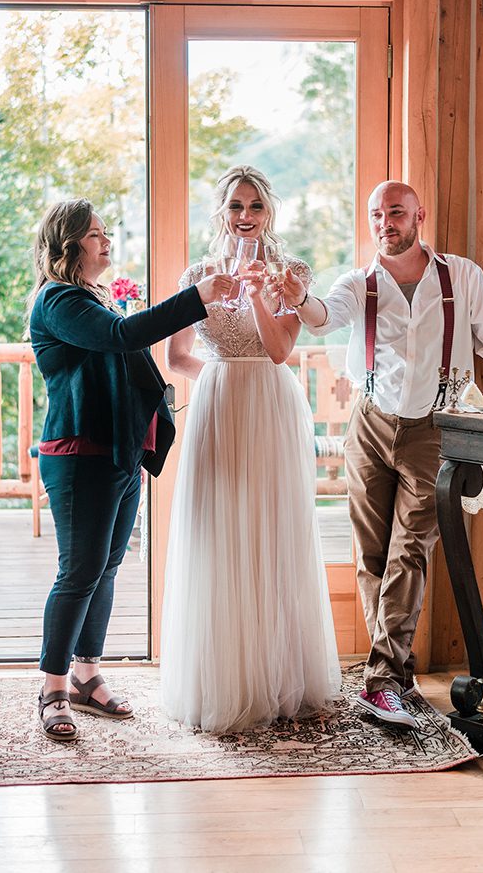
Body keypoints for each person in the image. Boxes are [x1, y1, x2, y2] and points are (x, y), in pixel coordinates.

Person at [275, 180, 483, 728]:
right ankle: (396, 677)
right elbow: (321, 317)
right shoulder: (360, 282)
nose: (386, 224)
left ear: (419, 215)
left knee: (409, 549)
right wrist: (295, 295)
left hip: (433, 429)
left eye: (396, 213)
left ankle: (379, 682)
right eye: (377, 215)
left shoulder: (461, 277)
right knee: (372, 557)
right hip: (370, 424)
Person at [27, 197, 234, 741]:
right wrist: (198, 299)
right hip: (78, 457)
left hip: (119, 455)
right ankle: (51, 688)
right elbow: (123, 337)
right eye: (96, 235)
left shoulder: (89, 299)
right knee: (79, 573)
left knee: (108, 568)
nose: (106, 243)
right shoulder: (58, 301)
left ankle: (86, 673)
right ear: (68, 244)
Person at [159, 166, 343, 732]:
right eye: (235, 206)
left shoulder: (292, 274)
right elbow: (176, 357)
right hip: (221, 406)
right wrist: (219, 376)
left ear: (268, 212)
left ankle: (280, 678)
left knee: (273, 530)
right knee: (221, 531)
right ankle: (224, 678)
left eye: (254, 207)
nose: (244, 217)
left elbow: (282, 349)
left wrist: (262, 293)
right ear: (222, 212)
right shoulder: (199, 274)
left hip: (272, 402)